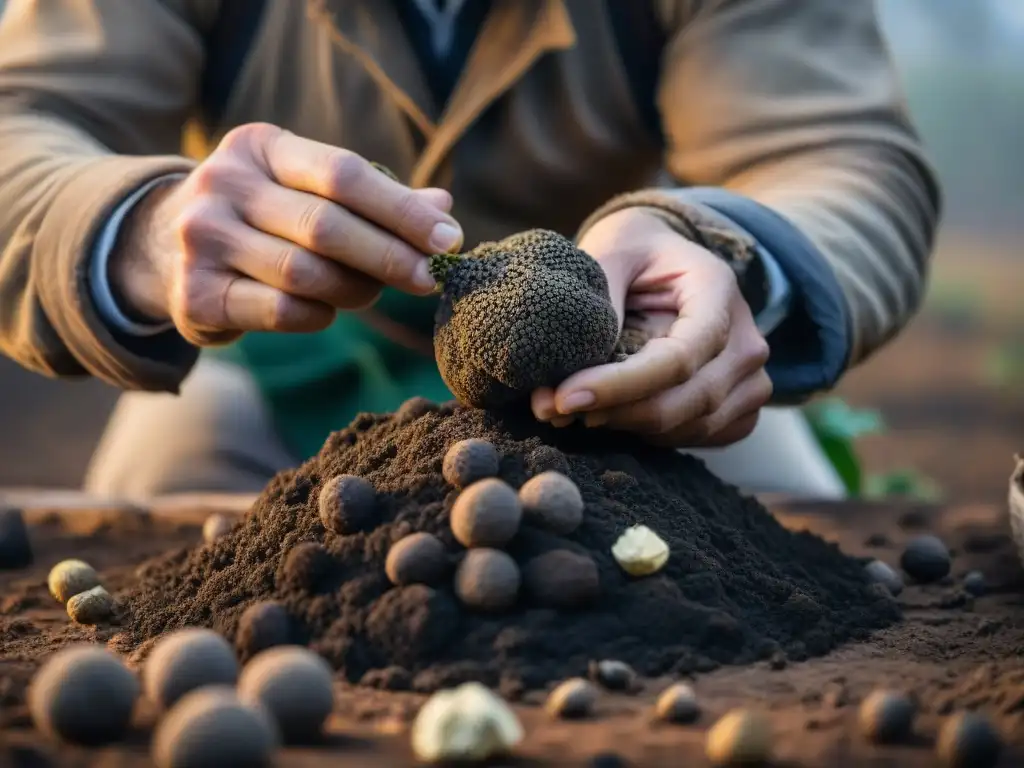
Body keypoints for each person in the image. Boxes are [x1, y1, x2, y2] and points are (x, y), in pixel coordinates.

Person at [0, 0, 939, 501]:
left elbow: (838, 156)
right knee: (154, 532)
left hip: (626, 360)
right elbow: (24, 120)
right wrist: (147, 227)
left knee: (793, 539)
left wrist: (725, 253)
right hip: (269, 355)